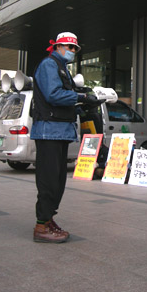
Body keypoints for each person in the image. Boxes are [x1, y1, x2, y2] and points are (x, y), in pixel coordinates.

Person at [31, 32, 101, 243]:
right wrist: (81, 97)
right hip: (48, 131)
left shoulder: (62, 69)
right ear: (58, 47)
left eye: (74, 49)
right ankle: (41, 226)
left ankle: (48, 219)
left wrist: (84, 105)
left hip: (60, 130)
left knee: (59, 180)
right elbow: (53, 95)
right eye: (69, 48)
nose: (72, 52)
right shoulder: (49, 65)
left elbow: (64, 100)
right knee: (49, 180)